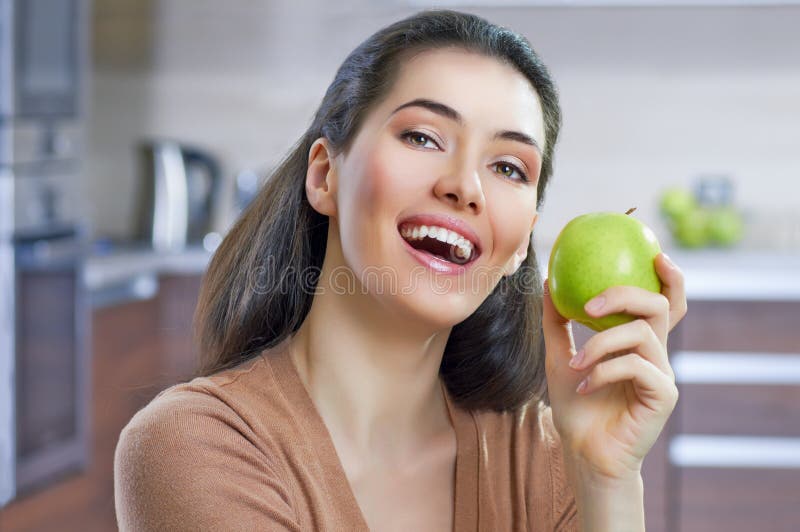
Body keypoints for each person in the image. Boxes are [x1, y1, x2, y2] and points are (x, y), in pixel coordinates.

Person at [114, 9, 686, 532]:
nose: (464, 186)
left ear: (520, 243)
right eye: (422, 136)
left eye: (509, 167)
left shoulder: (551, 459)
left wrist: (607, 481)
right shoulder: (195, 445)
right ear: (324, 176)